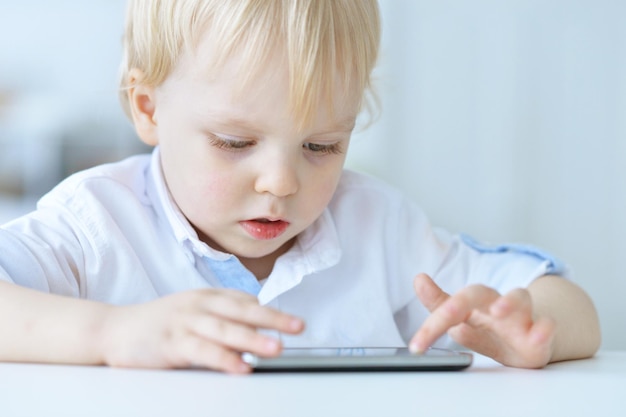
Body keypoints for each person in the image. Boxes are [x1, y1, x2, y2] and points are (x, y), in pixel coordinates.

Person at [0, 0, 600, 374]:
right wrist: (112, 333)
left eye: (322, 146)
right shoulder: (96, 223)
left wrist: (529, 332)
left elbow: (570, 309)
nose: (281, 182)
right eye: (235, 143)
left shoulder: (379, 225)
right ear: (149, 108)